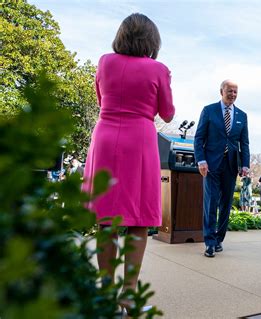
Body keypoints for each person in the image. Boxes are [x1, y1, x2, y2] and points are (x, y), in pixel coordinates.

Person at [81, 13, 175, 311]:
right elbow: (168, 113)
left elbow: (100, 100)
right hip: (140, 142)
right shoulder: (158, 68)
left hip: (106, 138)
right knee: (138, 219)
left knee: (106, 219)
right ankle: (129, 294)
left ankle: (106, 294)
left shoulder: (105, 62)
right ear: (152, 40)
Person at [194, 79, 250, 258]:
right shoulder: (209, 110)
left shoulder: (242, 115)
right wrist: (201, 160)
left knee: (226, 203)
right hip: (210, 165)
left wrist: (246, 165)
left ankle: (219, 239)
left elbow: (244, 143)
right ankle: (209, 242)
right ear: (221, 91)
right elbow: (199, 138)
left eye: (235, 91)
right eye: (230, 91)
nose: (233, 94)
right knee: (211, 203)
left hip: (231, 165)